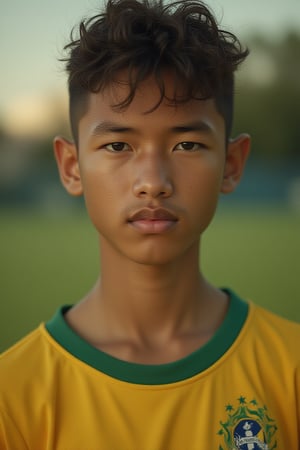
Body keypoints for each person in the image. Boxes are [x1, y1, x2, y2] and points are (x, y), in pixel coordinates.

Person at [0, 0, 299, 448]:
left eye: (188, 145)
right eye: (119, 145)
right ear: (71, 166)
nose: (153, 184)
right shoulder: (13, 395)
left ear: (232, 164)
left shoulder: (290, 370)